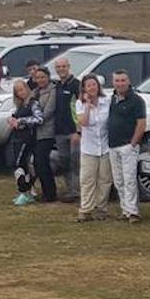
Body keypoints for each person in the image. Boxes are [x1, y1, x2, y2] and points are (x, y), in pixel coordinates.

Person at [107, 70, 147, 223]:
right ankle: (125, 210)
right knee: (118, 180)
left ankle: (133, 212)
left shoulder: (136, 100)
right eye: (117, 80)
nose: (120, 83)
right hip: (113, 145)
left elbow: (141, 124)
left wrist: (133, 144)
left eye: (123, 80)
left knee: (129, 179)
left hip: (127, 146)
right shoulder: (112, 99)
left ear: (128, 81)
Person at [75, 75, 113, 222]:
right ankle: (86, 209)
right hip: (89, 148)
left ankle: (101, 208)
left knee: (104, 179)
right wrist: (88, 107)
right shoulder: (80, 103)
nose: (92, 87)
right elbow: (83, 123)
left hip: (105, 146)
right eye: (88, 85)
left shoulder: (107, 101)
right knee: (87, 179)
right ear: (84, 88)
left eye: (94, 84)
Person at [7, 80, 43, 205]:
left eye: (21, 89)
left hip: (27, 139)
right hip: (17, 138)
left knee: (19, 164)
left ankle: (24, 191)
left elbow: (39, 118)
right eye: (17, 91)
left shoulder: (33, 103)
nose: (20, 93)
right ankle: (27, 191)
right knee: (19, 165)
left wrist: (21, 121)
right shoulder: (19, 106)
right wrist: (12, 120)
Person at [52, 57, 82, 203]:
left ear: (69, 67)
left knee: (76, 162)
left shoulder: (76, 85)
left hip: (73, 132)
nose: (61, 69)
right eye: (58, 67)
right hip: (59, 131)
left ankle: (78, 191)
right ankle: (70, 190)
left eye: (64, 66)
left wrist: (78, 131)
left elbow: (81, 109)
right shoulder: (56, 85)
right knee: (64, 162)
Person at [31, 66, 59, 202]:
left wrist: (33, 119)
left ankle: (51, 193)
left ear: (48, 77)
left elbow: (48, 111)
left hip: (47, 131)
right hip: (36, 132)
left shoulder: (53, 91)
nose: (40, 80)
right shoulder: (35, 92)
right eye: (38, 77)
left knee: (42, 162)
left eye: (43, 77)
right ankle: (45, 191)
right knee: (37, 163)